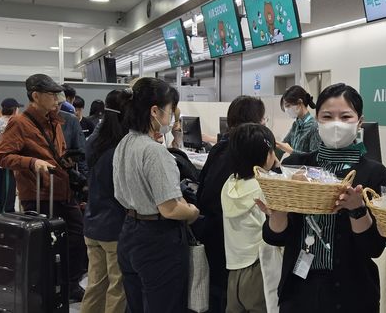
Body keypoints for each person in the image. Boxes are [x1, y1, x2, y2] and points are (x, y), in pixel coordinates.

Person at [259, 83, 386, 313]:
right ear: (317, 119)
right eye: (327, 116)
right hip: (299, 288)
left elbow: (374, 247)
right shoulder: (294, 167)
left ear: (360, 121)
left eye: (345, 116)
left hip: (353, 293)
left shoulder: (375, 173)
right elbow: (275, 237)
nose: (336, 124)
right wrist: (278, 210)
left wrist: (356, 209)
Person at [0, 73, 88, 302]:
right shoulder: (19, 122)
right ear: (35, 96)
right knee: (45, 245)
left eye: (59, 94)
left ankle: (69, 284)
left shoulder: (55, 120)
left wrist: (67, 161)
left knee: (77, 237)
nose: (58, 99)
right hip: (39, 195)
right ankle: (47, 287)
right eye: (52, 94)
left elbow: (55, 153)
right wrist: (32, 163)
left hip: (62, 191)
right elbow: (2, 156)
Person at [113, 77, 199, 313]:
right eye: (170, 111)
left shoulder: (126, 142)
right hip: (158, 240)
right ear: (154, 111)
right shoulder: (154, 152)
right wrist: (192, 212)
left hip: (129, 231)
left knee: (136, 305)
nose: (171, 119)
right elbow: (170, 208)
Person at [196, 95, 267, 313]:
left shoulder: (220, 149)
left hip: (219, 240)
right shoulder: (249, 167)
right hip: (242, 253)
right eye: (263, 120)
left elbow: (203, 193)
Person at [222, 123, 281, 313]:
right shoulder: (265, 187)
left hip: (234, 268)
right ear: (267, 154)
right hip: (259, 267)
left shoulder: (229, 184)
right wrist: (277, 168)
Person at [80, 89, 130, 313]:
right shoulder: (121, 148)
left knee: (96, 285)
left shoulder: (95, 141)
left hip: (92, 223)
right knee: (117, 288)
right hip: (115, 228)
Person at [0, 98, 23, 213]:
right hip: (8, 157)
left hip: (5, 156)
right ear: (14, 109)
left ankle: (4, 207)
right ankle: (6, 209)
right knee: (8, 185)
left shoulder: (2, 120)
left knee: (7, 185)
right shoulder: (7, 121)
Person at [276, 85, 321, 155]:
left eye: (288, 105)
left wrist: (291, 151)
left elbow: (314, 159)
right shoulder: (296, 125)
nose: (287, 110)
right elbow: (283, 146)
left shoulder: (314, 126)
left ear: (300, 103)